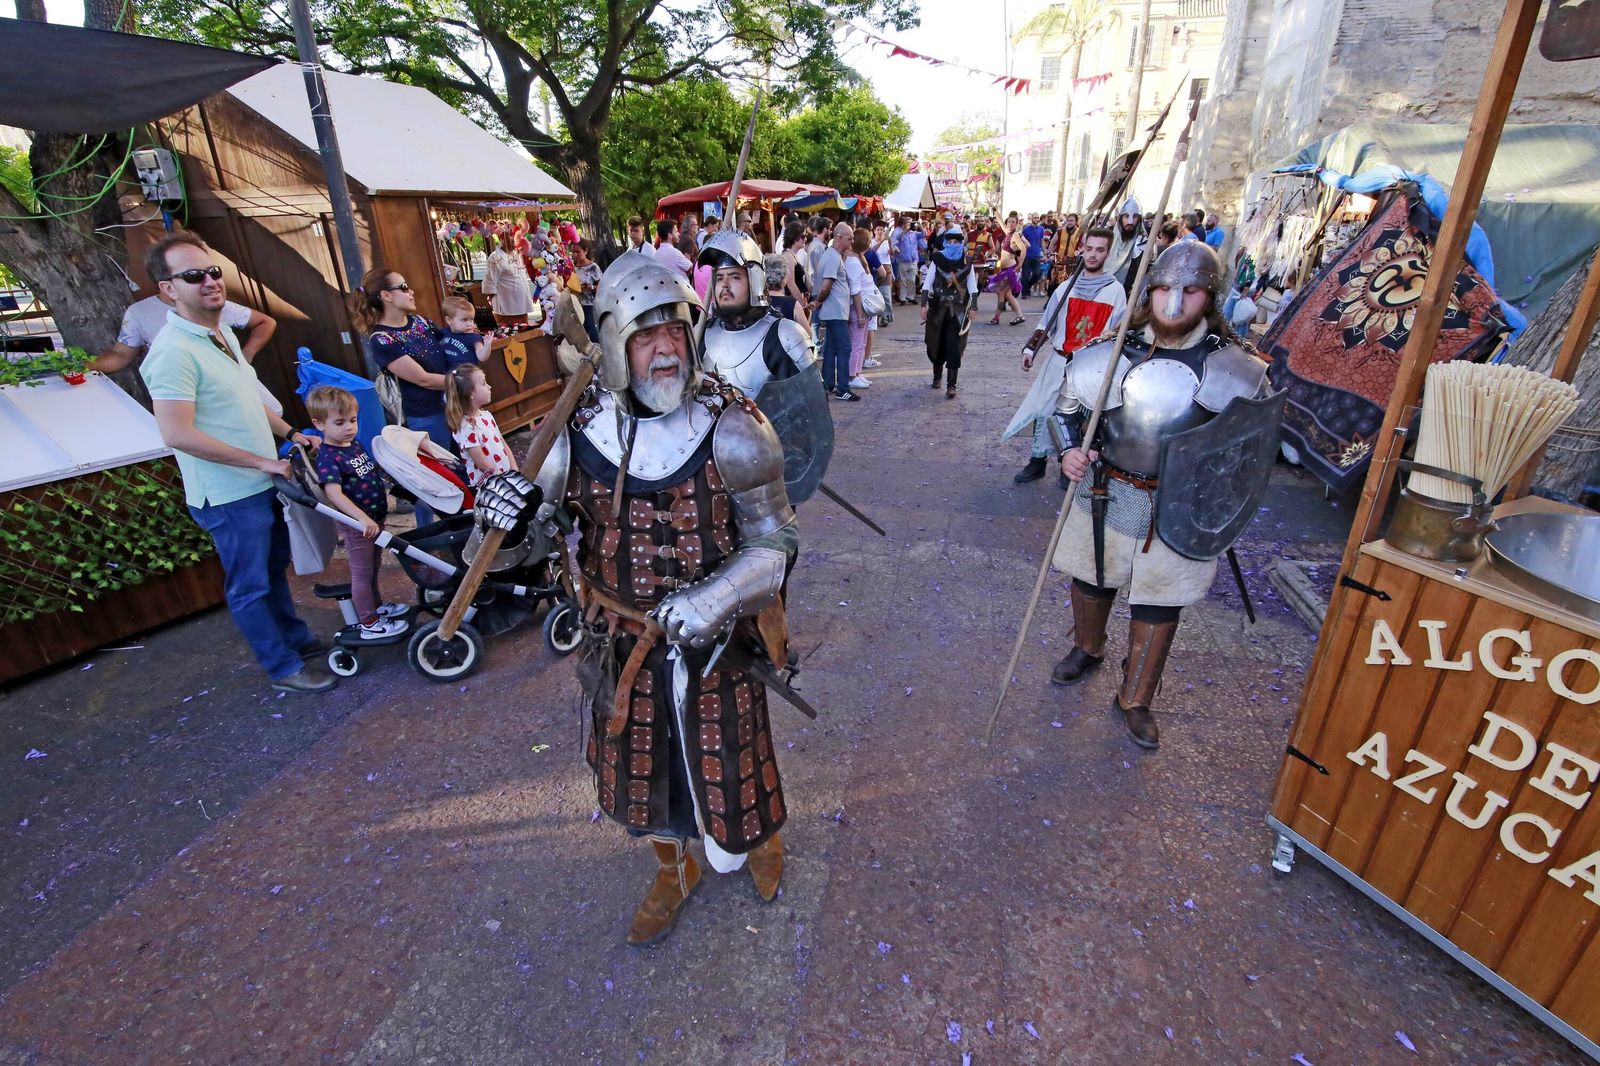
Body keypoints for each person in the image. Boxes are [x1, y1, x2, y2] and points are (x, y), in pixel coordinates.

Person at [476, 253, 804, 945]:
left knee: (736, 756)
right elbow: (518, 550)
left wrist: (718, 597)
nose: (667, 349)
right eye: (647, 335)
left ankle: (761, 841)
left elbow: (778, 541)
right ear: (615, 344)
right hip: (620, 643)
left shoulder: (734, 426)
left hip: (720, 643)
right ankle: (672, 870)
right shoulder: (571, 435)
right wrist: (503, 515)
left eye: (676, 331)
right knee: (644, 775)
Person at [1046, 242, 1273, 750]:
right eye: (1165, 288)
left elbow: (1250, 453)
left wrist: (1220, 494)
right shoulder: (1109, 354)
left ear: (1210, 296)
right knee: (1092, 579)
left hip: (1181, 505)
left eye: (1189, 291)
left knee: (1159, 603)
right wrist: (1068, 452)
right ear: (1149, 291)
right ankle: (1088, 648)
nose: (1174, 302)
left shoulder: (1238, 368)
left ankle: (1136, 697)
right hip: (1107, 491)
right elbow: (1064, 413)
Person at [137, 232, 333, 694]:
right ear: (168, 289)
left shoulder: (221, 331)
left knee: (273, 570)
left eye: (212, 271)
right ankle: (282, 667)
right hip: (227, 494)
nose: (209, 281)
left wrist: (290, 434)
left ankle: (296, 642)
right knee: (250, 585)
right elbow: (177, 433)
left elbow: (246, 399)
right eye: (192, 275)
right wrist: (261, 463)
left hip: (261, 481)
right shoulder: (172, 352)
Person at [1004, 228, 1128, 487]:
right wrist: (1030, 350)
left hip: (1090, 368)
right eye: (1089, 249)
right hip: (1059, 362)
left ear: (1107, 253)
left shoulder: (1116, 292)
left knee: (1081, 418)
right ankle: (1037, 462)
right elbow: (1046, 324)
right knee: (1044, 411)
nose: (1093, 255)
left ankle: (1068, 467)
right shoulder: (1065, 287)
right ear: (1081, 249)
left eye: (1099, 250)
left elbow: (1118, 335)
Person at [306, 385, 410, 641]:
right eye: (339, 423)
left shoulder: (353, 445)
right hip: (358, 527)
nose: (349, 427)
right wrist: (360, 518)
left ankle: (376, 606)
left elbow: (371, 473)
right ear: (319, 424)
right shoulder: (329, 456)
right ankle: (369, 622)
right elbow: (334, 494)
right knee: (362, 573)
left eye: (352, 420)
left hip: (374, 520)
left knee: (373, 567)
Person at [350, 267, 451, 528]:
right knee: (432, 480)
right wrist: (463, 383)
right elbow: (422, 378)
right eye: (403, 287)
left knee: (460, 471)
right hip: (425, 417)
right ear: (386, 295)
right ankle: (432, 536)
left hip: (453, 406)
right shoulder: (382, 340)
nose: (411, 291)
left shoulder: (422, 322)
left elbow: (450, 350)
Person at [95, 291, 277, 379]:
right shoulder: (139, 312)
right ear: (164, 283)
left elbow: (265, 322)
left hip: (228, 383)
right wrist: (84, 365)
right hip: (181, 391)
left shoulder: (213, 303)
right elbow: (120, 355)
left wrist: (246, 356)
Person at [920, 225, 978, 399]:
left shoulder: (967, 262)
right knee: (935, 344)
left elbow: (972, 286)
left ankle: (951, 385)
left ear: (961, 243)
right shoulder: (937, 259)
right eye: (950, 241)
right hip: (937, 309)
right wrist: (923, 304)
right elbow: (927, 283)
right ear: (945, 242)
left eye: (956, 241)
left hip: (957, 310)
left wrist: (973, 307)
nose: (953, 244)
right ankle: (937, 376)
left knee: (954, 345)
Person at [444, 365, 512, 489]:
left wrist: (515, 472)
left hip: (506, 480)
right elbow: (483, 464)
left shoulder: (486, 415)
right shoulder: (465, 427)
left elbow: (503, 445)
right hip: (492, 488)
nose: (489, 387)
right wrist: (505, 482)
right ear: (471, 393)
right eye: (484, 383)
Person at [811, 220, 856, 401]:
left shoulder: (832, 256)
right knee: (844, 347)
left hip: (834, 310)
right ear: (839, 238)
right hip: (835, 310)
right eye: (849, 238)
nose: (851, 242)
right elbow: (826, 285)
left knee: (831, 348)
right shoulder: (832, 257)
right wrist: (819, 301)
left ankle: (828, 383)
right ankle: (842, 388)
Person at [844, 226, 874, 391]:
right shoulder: (854, 262)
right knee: (857, 342)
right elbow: (855, 291)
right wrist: (861, 314)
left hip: (863, 307)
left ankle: (857, 372)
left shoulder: (857, 259)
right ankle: (851, 375)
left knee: (861, 342)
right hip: (858, 308)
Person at [483, 229, 535, 326]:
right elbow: (490, 283)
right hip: (507, 309)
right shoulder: (495, 257)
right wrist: (492, 301)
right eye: (511, 236)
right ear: (502, 239)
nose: (515, 239)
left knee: (523, 332)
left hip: (522, 307)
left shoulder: (517, 255)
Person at [987, 219, 1028, 326]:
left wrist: (1020, 264)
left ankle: (996, 318)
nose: (1010, 223)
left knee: (1001, 293)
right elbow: (1000, 220)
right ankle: (1020, 316)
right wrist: (994, 210)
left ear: (1017, 224)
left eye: (1013, 222)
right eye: (1009, 222)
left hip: (1010, 270)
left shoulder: (1015, 235)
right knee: (1008, 295)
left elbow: (1024, 248)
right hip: (1004, 269)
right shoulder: (1007, 234)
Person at [437, 296, 491, 370]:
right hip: (450, 373)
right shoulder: (443, 333)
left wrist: (487, 346)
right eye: (464, 320)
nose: (469, 324)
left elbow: (482, 357)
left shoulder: (474, 338)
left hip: (469, 373)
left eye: (471, 320)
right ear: (449, 320)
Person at [570, 239, 603, 341]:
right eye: (573, 252)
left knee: (593, 332)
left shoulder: (593, 267)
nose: (575, 254)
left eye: (578, 252)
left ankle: (598, 349)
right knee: (581, 335)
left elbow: (602, 287)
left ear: (585, 251)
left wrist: (591, 287)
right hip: (576, 305)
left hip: (590, 305)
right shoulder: (572, 268)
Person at [894, 217, 923, 305]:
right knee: (903, 280)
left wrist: (920, 225)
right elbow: (897, 238)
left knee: (912, 280)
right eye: (907, 223)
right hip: (903, 260)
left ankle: (911, 297)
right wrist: (904, 231)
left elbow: (924, 234)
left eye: (910, 224)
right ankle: (902, 298)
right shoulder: (900, 234)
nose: (909, 225)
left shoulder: (914, 234)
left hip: (913, 260)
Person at [1021, 213, 1046, 298]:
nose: (1036, 219)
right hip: (1027, 255)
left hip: (1037, 255)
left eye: (1037, 217)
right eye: (1034, 217)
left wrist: (1044, 253)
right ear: (1031, 218)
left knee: (1037, 274)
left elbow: (1042, 241)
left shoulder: (1041, 229)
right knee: (1025, 275)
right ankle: (1024, 293)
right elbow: (1022, 241)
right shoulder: (1026, 229)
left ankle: (1027, 287)